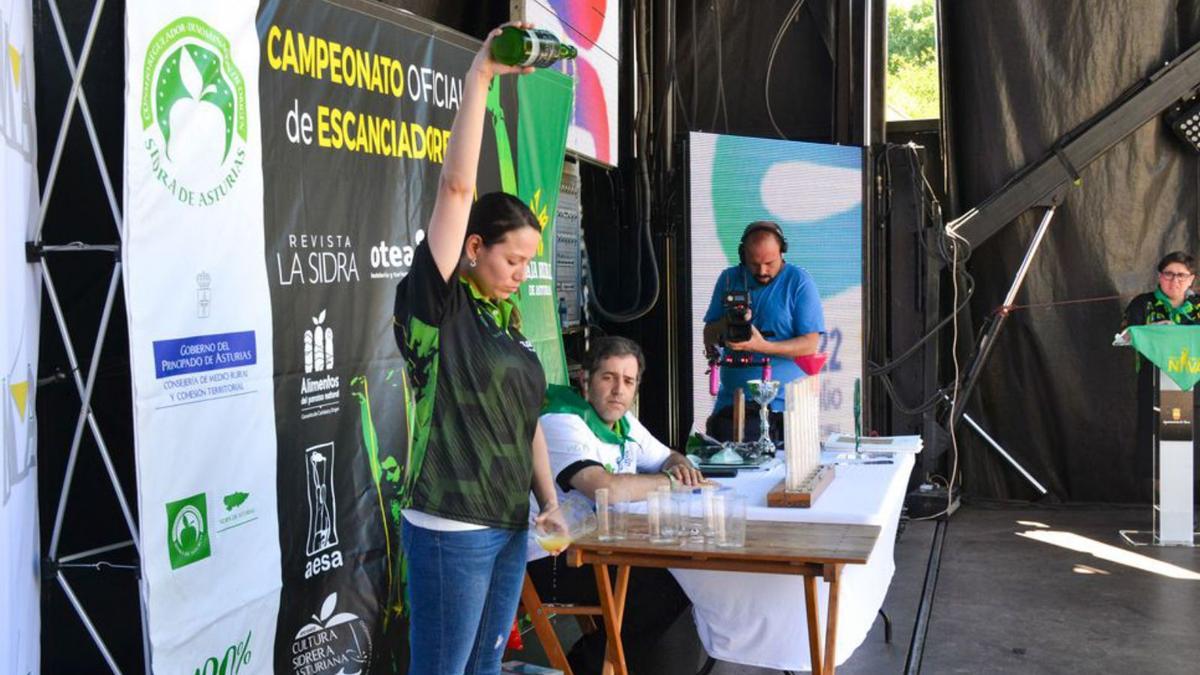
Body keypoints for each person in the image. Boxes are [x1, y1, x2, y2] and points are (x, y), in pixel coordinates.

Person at [392, 23, 566, 675]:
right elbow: (456, 192)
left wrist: (547, 500)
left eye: (530, 261)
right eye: (513, 258)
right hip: (450, 522)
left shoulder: (510, 321)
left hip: (507, 524)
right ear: (472, 248)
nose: (523, 270)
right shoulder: (438, 306)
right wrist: (482, 78)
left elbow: (527, 425)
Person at [527, 336, 703, 674]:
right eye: (608, 377)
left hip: (600, 549)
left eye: (628, 381)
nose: (618, 390)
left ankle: (601, 663)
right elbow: (602, 488)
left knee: (683, 579)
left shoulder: (624, 423)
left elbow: (669, 456)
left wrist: (678, 467)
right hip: (552, 559)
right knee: (668, 590)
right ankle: (586, 666)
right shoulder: (562, 420)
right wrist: (672, 483)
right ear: (585, 379)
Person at [702, 221, 825, 442]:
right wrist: (727, 325)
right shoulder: (729, 279)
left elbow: (810, 344)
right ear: (742, 256)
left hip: (785, 409)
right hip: (731, 406)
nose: (762, 271)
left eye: (770, 263)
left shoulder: (799, 282)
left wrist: (762, 346)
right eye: (754, 263)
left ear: (782, 252)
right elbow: (709, 334)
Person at [1120, 251, 1200, 498]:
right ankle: (1166, 498)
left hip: (1193, 382)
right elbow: (1126, 333)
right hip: (1154, 382)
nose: (1174, 280)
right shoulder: (1143, 303)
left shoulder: (1197, 306)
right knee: (1157, 439)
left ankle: (1187, 499)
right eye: (1168, 274)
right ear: (1159, 276)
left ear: (1191, 279)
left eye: (1181, 276)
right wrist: (1151, 330)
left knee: (1190, 440)